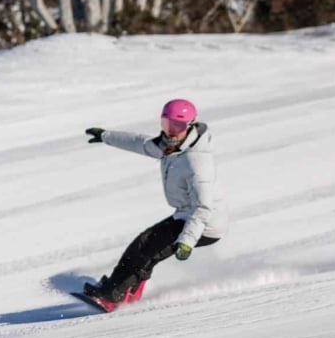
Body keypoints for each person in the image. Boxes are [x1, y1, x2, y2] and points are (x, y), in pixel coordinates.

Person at [83, 98, 228, 307]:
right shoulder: (170, 147)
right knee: (144, 246)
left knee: (145, 248)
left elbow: (203, 207)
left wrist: (187, 241)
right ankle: (123, 291)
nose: (171, 132)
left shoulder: (197, 162)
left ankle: (114, 295)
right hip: (187, 215)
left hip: (204, 224)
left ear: (190, 126)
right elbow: (140, 143)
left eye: (178, 126)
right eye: (167, 125)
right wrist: (106, 136)